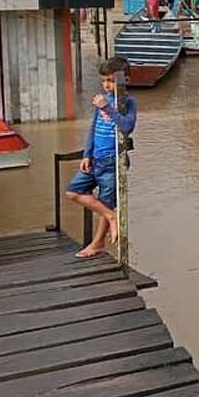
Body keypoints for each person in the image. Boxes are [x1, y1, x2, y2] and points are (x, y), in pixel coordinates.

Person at [65, 57, 138, 258]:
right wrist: (87, 154)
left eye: (111, 81)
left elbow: (127, 126)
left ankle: (97, 243)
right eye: (104, 80)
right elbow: (93, 129)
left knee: (107, 201)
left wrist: (107, 107)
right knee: (73, 192)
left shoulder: (128, 102)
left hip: (112, 161)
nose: (106, 85)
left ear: (125, 81)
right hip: (95, 159)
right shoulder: (101, 101)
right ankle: (112, 217)